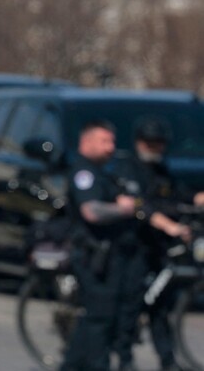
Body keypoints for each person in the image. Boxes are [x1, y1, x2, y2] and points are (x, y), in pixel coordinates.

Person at [110, 118, 202, 371]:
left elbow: (177, 194)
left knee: (159, 307)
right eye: (151, 143)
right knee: (132, 304)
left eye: (159, 143)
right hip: (133, 246)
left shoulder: (160, 169)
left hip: (157, 247)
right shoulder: (127, 168)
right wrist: (170, 226)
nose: (156, 147)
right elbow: (140, 205)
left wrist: (198, 197)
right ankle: (124, 360)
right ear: (139, 142)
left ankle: (167, 360)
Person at [60, 120, 147, 371]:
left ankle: (71, 365)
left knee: (99, 316)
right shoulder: (84, 173)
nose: (111, 147)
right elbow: (91, 212)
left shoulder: (103, 173)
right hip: (93, 255)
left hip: (109, 256)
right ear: (86, 143)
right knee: (100, 317)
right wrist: (123, 208)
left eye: (112, 141)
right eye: (104, 141)